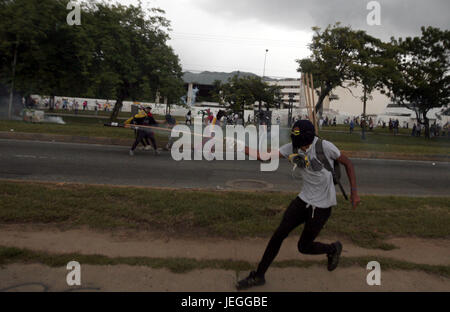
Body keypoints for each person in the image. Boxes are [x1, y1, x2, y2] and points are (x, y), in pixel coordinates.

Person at [236, 120, 360, 290]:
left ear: (309, 138)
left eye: (303, 143)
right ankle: (259, 276)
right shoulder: (291, 147)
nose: (300, 147)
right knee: (278, 236)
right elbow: (263, 156)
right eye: (298, 144)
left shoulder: (325, 146)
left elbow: (348, 163)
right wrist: (240, 146)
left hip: (322, 207)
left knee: (304, 247)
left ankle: (332, 249)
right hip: (302, 201)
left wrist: (354, 192)